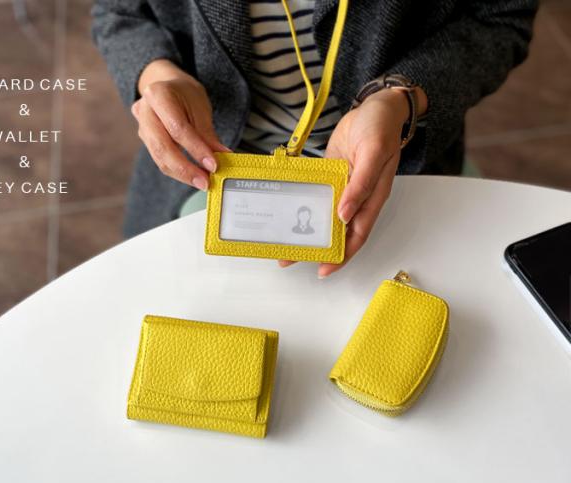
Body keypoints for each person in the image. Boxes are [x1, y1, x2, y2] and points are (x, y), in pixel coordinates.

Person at [91, 0, 537, 277]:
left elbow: (501, 18)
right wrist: (157, 74)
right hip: (211, 167)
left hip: (397, 162)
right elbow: (119, 14)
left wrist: (401, 97)